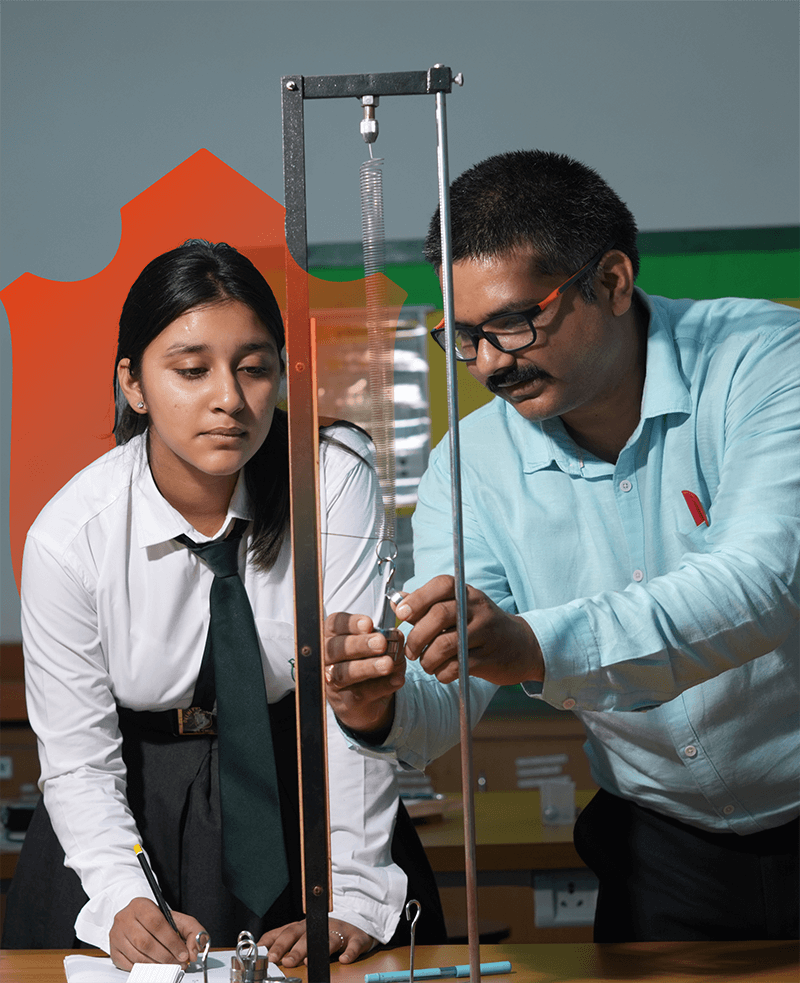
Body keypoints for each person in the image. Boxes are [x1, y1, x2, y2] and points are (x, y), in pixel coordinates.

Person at [324, 150, 800, 942]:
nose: (488, 364)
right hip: (662, 847)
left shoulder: (766, 361)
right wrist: (379, 705)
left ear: (611, 281)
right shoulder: (471, 465)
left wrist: (534, 645)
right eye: (463, 337)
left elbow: (763, 583)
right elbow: (448, 691)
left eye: (513, 323)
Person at [2, 240, 444, 969]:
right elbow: (79, 761)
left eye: (254, 367)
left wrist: (356, 892)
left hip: (301, 795)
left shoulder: (329, 479)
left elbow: (349, 701)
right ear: (133, 384)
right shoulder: (69, 538)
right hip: (129, 811)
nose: (230, 399)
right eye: (191, 370)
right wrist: (119, 894)